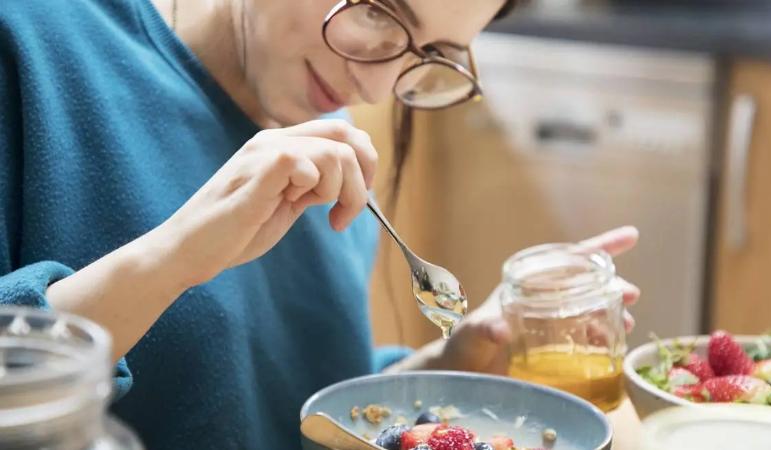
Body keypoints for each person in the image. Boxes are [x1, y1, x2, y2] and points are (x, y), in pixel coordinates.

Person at [0, 0, 640, 448]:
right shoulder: (29, 43)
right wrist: (173, 257)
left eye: (434, 54)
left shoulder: (333, 146)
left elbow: (294, 406)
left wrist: (453, 355)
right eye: (375, 10)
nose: (377, 85)